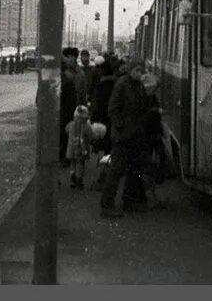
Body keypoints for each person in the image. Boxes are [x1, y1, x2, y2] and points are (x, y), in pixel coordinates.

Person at [100, 61, 150, 217]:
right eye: (136, 70)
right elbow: (112, 108)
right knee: (116, 170)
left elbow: (143, 106)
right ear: (130, 70)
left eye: (141, 71)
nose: (139, 73)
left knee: (134, 170)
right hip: (123, 136)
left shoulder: (139, 85)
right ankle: (106, 205)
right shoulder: (122, 84)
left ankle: (129, 202)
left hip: (135, 134)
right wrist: (121, 126)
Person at [140, 72, 169, 209]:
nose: (155, 90)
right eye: (154, 87)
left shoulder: (150, 97)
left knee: (153, 164)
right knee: (148, 166)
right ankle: (150, 196)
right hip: (147, 135)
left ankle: (151, 195)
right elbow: (143, 115)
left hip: (153, 134)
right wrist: (156, 111)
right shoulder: (145, 99)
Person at [65, 104, 96, 189]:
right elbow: (91, 135)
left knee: (73, 163)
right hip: (81, 149)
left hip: (71, 148)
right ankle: (79, 180)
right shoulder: (86, 126)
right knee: (80, 164)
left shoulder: (70, 124)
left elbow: (66, 130)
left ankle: (72, 178)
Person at [59, 47, 81, 164]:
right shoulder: (65, 76)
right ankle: (64, 157)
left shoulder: (77, 73)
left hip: (71, 108)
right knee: (65, 135)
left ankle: (67, 157)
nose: (70, 60)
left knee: (69, 135)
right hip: (66, 109)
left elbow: (82, 90)